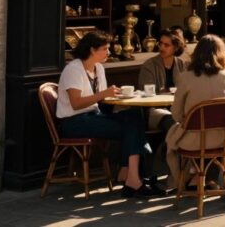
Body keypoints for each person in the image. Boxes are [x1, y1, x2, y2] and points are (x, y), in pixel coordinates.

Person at [56, 30, 159, 197]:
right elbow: (76, 103)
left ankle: (128, 174)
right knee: (131, 128)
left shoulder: (98, 68)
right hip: (74, 122)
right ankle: (132, 178)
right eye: (105, 49)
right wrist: (104, 94)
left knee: (134, 116)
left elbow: (102, 99)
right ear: (92, 50)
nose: (109, 52)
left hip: (93, 115)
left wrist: (117, 94)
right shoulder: (73, 69)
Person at [165, 35, 225, 190]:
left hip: (193, 140)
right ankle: (211, 179)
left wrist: (192, 119)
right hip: (222, 138)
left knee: (172, 138)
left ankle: (188, 178)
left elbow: (176, 114)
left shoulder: (185, 77)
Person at [138, 28, 187, 132]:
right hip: (155, 109)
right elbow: (147, 94)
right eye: (161, 43)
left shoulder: (182, 64)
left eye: (167, 45)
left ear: (176, 48)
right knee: (172, 122)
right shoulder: (149, 65)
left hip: (178, 107)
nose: (162, 47)